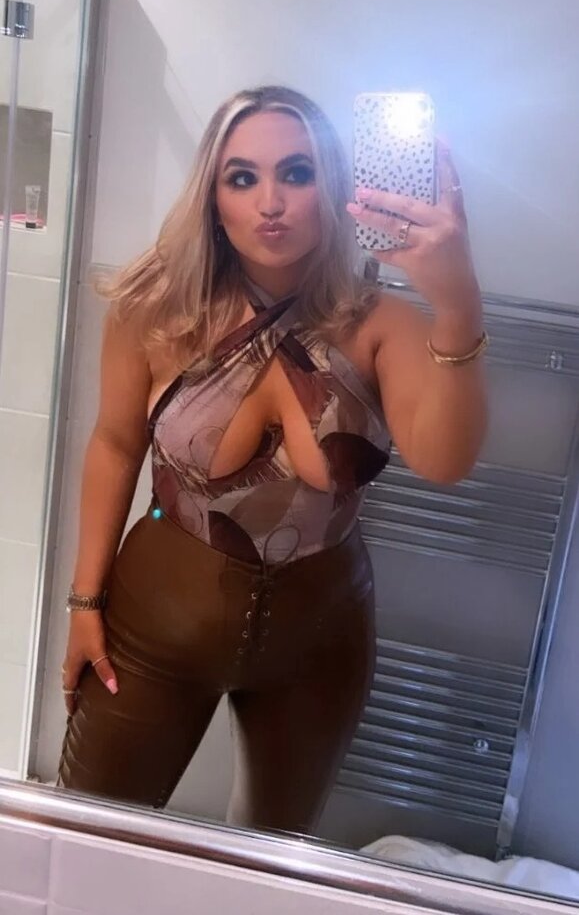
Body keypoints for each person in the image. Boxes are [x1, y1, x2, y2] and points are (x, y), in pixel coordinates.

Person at [57, 85, 488, 834]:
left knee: (270, 862)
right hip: (150, 628)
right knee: (89, 839)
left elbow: (444, 462)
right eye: (242, 177)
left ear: (334, 185)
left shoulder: (380, 325)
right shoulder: (157, 309)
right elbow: (116, 444)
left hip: (319, 646)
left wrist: (457, 302)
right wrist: (84, 603)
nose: (270, 202)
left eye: (296, 172)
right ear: (212, 195)